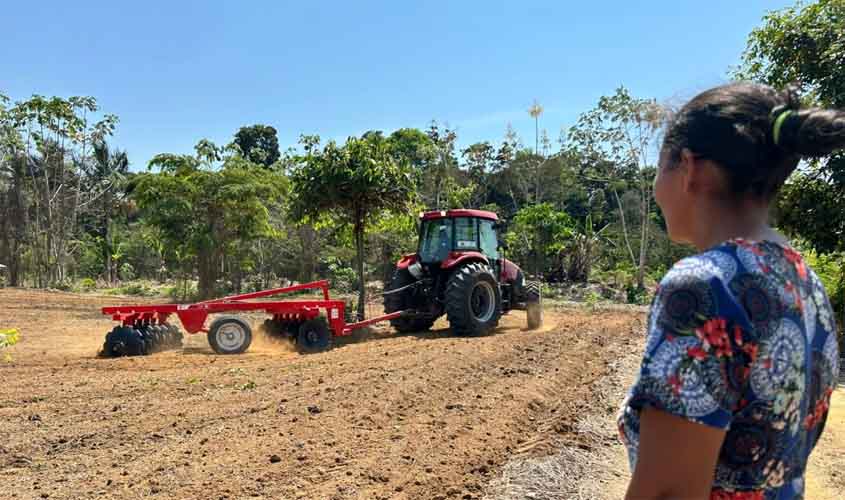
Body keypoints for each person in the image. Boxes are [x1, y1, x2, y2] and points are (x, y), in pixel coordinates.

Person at [618, 82, 842, 499]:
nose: (655, 187)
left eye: (658, 168)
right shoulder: (804, 281)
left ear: (688, 168)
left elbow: (669, 492)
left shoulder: (705, 286)